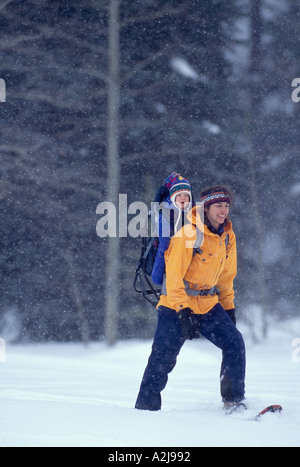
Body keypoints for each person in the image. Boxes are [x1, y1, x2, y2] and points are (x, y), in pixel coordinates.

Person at [135, 184, 246, 412]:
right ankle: (145, 409)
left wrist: (228, 308)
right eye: (218, 206)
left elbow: (227, 277)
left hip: (207, 305)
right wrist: (184, 312)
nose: (223, 210)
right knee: (163, 359)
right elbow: (174, 277)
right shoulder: (188, 233)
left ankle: (233, 401)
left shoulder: (227, 236)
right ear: (205, 208)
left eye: (226, 205)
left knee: (234, 343)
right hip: (175, 304)